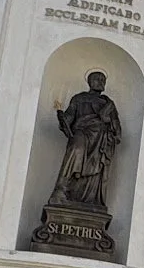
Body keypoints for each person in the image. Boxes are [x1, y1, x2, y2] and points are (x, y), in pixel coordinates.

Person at [49, 71, 121, 210]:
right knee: (76, 148)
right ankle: (61, 189)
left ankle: (90, 201)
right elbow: (69, 117)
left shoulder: (108, 104)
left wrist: (108, 121)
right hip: (81, 133)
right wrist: (64, 118)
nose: (101, 81)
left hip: (100, 140)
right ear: (89, 82)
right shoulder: (79, 99)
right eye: (97, 79)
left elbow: (117, 131)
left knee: (96, 169)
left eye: (103, 79)